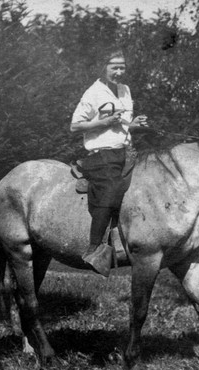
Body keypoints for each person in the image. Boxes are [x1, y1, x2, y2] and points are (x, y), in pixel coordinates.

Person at [70, 49, 147, 275]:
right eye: (114, 67)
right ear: (103, 67)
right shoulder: (93, 93)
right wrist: (102, 123)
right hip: (100, 156)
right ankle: (94, 249)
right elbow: (75, 126)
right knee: (111, 188)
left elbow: (121, 124)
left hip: (124, 152)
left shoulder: (125, 90)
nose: (119, 72)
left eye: (122, 67)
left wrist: (132, 125)